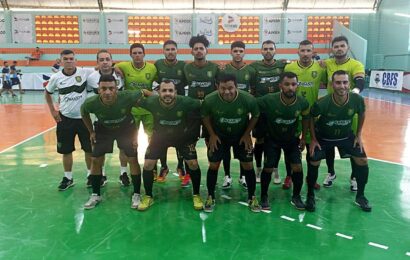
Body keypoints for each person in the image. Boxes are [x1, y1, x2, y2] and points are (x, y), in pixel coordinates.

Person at [81, 74, 151, 209]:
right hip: (103, 130)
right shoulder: (90, 103)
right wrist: (91, 132)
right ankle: (96, 194)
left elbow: (145, 92)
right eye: (104, 88)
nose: (108, 92)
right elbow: (84, 113)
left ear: (116, 88)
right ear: (98, 89)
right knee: (95, 160)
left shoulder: (127, 96)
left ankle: (136, 194)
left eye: (111, 88)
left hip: (126, 129)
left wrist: (158, 98)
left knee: (132, 158)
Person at [306, 70, 371, 212]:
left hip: (345, 136)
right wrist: (313, 139)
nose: (342, 86)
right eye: (338, 82)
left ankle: (360, 196)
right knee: (314, 160)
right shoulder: (323, 103)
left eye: (345, 82)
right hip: (323, 137)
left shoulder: (357, 100)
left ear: (349, 84)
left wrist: (359, 134)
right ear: (332, 84)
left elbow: (362, 113)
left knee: (363, 160)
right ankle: (310, 195)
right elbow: (311, 117)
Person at [135, 80, 203, 211]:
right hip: (159, 138)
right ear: (158, 92)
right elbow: (132, 100)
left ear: (176, 93)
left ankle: (196, 194)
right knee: (148, 164)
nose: (167, 94)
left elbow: (204, 105)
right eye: (164, 90)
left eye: (171, 91)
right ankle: (148, 196)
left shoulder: (186, 101)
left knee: (193, 164)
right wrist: (139, 92)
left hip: (182, 138)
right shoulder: (151, 102)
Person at [201, 73, 261, 213]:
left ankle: (252, 197)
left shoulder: (248, 99)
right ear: (217, 87)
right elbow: (204, 116)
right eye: (223, 88)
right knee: (214, 165)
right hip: (220, 136)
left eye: (230, 88)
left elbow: (256, 115)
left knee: (247, 165)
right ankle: (210, 196)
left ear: (236, 86)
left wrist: (247, 134)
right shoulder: (210, 99)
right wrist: (212, 135)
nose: (227, 91)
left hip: (240, 136)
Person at [257, 72, 310, 210]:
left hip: (291, 140)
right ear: (280, 85)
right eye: (287, 84)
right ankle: (263, 195)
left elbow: (305, 118)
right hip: (272, 139)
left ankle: (296, 196)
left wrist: (304, 137)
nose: (290, 87)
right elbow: (253, 107)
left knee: (297, 167)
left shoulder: (302, 102)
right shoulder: (268, 99)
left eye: (293, 84)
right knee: (268, 167)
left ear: (297, 86)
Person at [44, 49, 94, 191]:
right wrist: (53, 111)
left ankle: (90, 175)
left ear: (76, 60)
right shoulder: (56, 78)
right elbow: (47, 93)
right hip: (65, 119)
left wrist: (118, 69)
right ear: (60, 61)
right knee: (66, 150)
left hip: (84, 119)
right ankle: (68, 177)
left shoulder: (85, 72)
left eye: (71, 58)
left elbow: (102, 67)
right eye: (66, 59)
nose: (69, 61)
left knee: (88, 149)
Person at [322, 36, 365, 191]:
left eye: (342, 46)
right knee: (328, 146)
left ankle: (354, 177)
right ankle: (331, 172)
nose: (339, 48)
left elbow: (360, 80)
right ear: (332, 49)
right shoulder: (327, 64)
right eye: (336, 46)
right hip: (329, 112)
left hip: (348, 114)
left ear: (347, 47)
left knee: (353, 145)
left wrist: (355, 91)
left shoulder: (355, 64)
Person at [284, 40, 327, 190]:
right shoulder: (289, 67)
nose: (305, 54)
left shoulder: (320, 68)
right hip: (293, 113)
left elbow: (329, 83)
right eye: (302, 50)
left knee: (311, 147)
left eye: (308, 51)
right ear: (298, 52)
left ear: (313, 52)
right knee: (290, 146)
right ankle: (289, 175)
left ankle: (310, 177)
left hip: (311, 115)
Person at [115, 43, 159, 181]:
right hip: (131, 110)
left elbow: (160, 85)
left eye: (140, 52)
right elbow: (107, 65)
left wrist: (152, 94)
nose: (137, 55)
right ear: (130, 55)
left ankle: (152, 168)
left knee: (152, 140)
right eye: (134, 53)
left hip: (148, 110)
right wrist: (115, 67)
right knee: (129, 142)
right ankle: (124, 173)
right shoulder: (124, 66)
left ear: (144, 54)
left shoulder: (152, 68)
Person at [250, 40, 289, 187]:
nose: (268, 51)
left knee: (275, 141)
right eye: (265, 49)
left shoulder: (282, 65)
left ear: (275, 51)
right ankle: (259, 168)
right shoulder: (254, 67)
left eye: (271, 48)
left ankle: (275, 168)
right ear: (261, 51)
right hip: (261, 110)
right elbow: (251, 87)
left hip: (277, 110)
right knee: (259, 141)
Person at [183, 35, 220, 187]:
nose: (199, 51)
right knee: (188, 142)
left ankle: (212, 170)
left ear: (206, 51)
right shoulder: (186, 68)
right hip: (192, 111)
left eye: (201, 48)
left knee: (209, 140)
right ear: (191, 51)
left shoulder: (215, 68)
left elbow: (220, 88)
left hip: (209, 111)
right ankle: (187, 174)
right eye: (196, 49)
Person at [219, 41, 257, 189]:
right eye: (235, 51)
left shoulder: (251, 70)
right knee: (226, 147)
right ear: (231, 52)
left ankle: (242, 176)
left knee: (243, 144)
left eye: (241, 51)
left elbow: (253, 89)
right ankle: (227, 176)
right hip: (225, 111)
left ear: (244, 52)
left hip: (242, 113)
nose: (238, 53)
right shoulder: (223, 69)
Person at [87, 49, 125, 187]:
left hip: (122, 119)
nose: (104, 62)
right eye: (101, 60)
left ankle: (123, 173)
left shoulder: (121, 74)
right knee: (100, 151)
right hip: (102, 120)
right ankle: (101, 174)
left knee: (124, 148)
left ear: (111, 61)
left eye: (107, 59)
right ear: (97, 62)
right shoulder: (91, 77)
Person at [154, 40, 188, 182]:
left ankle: (181, 166)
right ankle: (164, 166)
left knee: (179, 138)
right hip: (163, 107)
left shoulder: (183, 66)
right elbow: (154, 82)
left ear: (177, 51)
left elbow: (189, 82)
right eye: (167, 49)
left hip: (179, 107)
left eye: (173, 49)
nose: (170, 52)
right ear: (163, 51)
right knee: (162, 137)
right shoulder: (158, 64)